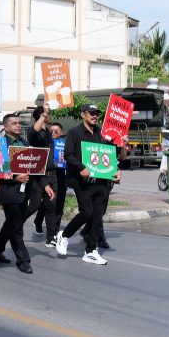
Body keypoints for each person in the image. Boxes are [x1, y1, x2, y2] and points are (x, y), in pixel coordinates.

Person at [57, 104, 120, 265]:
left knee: (97, 216)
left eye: (96, 113)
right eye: (91, 113)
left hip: (101, 181)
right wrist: (81, 168)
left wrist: (116, 170)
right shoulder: (74, 132)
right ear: (83, 114)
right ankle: (64, 236)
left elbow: (108, 154)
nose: (94, 116)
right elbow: (68, 155)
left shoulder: (100, 133)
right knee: (87, 213)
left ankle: (91, 251)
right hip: (82, 182)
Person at [0, 113, 34, 273]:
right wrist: (15, 178)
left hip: (24, 191)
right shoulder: (0, 145)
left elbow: (33, 166)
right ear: (5, 127)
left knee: (12, 224)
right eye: (14, 123)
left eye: (19, 123)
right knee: (16, 226)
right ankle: (23, 260)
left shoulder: (25, 143)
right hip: (9, 191)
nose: (18, 125)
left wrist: (45, 185)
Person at [23, 106, 58, 246]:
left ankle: (51, 238)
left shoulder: (48, 132)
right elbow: (33, 132)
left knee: (51, 207)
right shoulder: (35, 133)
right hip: (38, 176)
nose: (50, 116)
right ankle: (14, 225)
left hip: (52, 174)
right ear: (42, 115)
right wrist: (44, 113)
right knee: (34, 206)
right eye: (48, 114)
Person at [35, 122, 67, 242]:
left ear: (61, 133)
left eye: (56, 131)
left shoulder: (65, 144)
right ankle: (38, 220)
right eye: (51, 131)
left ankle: (55, 230)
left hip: (61, 177)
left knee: (59, 204)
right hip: (49, 177)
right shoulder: (46, 143)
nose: (53, 133)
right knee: (48, 203)